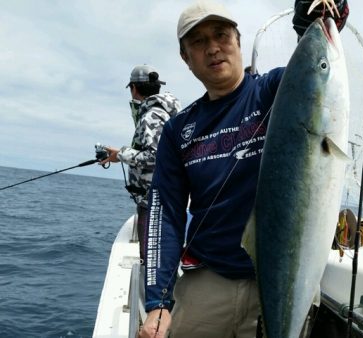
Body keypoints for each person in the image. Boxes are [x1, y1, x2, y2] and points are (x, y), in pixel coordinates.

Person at [139, 1, 349, 337]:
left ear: (238, 40)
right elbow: (165, 214)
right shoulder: (179, 130)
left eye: (221, 35)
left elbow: (310, 79)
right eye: (198, 42)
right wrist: (157, 302)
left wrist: (314, 22)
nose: (213, 48)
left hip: (281, 277)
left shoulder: (272, 92)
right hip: (208, 282)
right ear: (185, 58)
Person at [100, 64, 181, 262]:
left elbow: (154, 156)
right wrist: (119, 154)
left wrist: (121, 155)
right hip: (162, 194)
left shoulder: (151, 116)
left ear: (134, 88)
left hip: (152, 198)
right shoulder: (165, 112)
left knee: (150, 256)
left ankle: (153, 290)